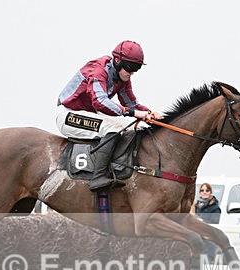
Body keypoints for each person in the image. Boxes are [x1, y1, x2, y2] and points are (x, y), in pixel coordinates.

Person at [56, 40, 161, 191]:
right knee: (113, 129)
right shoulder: (98, 70)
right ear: (117, 61)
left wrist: (150, 113)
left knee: (123, 127)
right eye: (130, 68)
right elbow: (100, 101)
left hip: (87, 114)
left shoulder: (123, 78)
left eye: (136, 69)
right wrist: (133, 113)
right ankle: (97, 177)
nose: (132, 72)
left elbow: (131, 103)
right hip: (69, 115)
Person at [194, 183, 221, 268]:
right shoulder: (196, 206)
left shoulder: (215, 207)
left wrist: (201, 221)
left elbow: (215, 222)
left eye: (207, 190)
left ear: (210, 192)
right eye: (202, 190)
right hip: (198, 235)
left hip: (209, 237)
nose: (204, 192)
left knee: (207, 259)